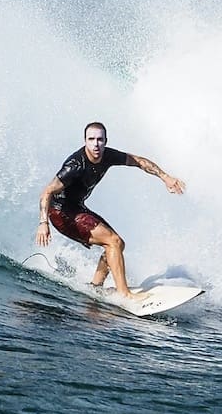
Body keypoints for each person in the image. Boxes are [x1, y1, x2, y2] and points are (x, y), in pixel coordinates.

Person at [35, 121, 185, 299]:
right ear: (85, 141)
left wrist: (165, 177)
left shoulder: (107, 155)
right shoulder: (75, 165)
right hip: (61, 213)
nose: (96, 144)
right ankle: (125, 294)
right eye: (91, 139)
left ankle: (95, 286)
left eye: (100, 139)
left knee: (118, 244)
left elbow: (138, 161)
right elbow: (47, 192)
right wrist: (43, 223)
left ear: (106, 141)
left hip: (77, 208)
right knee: (112, 241)